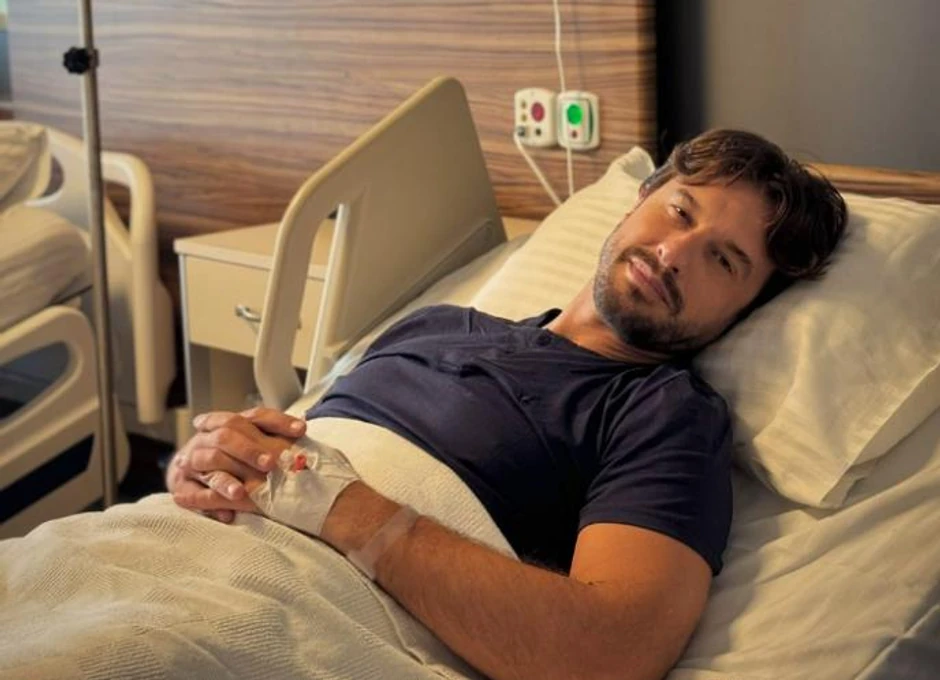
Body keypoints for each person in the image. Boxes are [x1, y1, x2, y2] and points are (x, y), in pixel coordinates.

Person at [166, 129, 847, 680]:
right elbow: (296, 459)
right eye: (679, 212)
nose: (674, 254)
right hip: (170, 559)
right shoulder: (433, 323)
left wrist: (337, 506)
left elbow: (612, 650)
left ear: (744, 311)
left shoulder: (664, 414)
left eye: (723, 261)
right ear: (638, 199)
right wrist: (214, 464)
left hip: (270, 623)